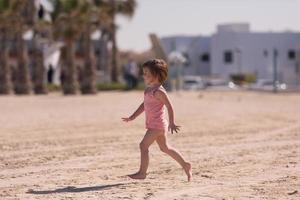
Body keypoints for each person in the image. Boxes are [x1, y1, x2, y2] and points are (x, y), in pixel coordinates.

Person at [122, 59, 192, 181]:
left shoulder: (159, 91)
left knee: (143, 145)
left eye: (147, 73)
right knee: (165, 148)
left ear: (156, 75)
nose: (144, 76)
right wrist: (133, 116)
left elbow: (169, 106)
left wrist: (172, 122)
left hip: (157, 125)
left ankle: (142, 173)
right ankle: (185, 165)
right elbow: (145, 105)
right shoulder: (149, 89)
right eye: (143, 73)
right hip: (154, 125)